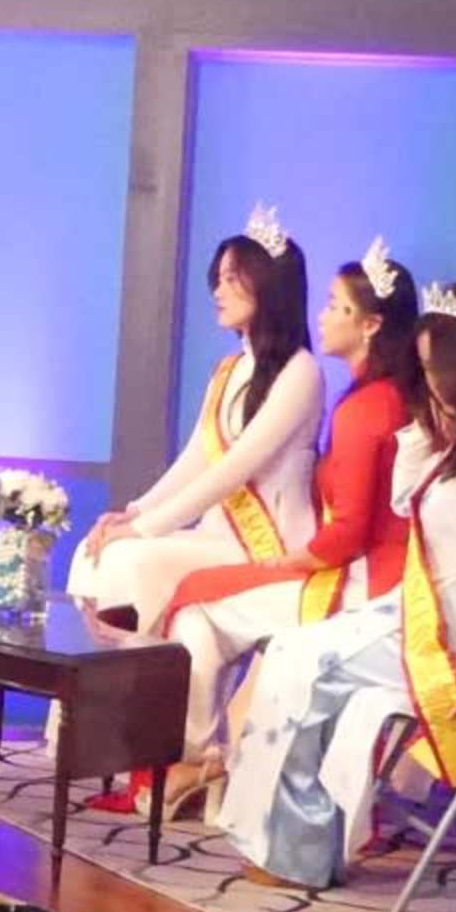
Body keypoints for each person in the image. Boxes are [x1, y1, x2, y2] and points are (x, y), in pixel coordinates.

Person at [220, 281, 456, 888]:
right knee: (290, 652)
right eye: (421, 370)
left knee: (301, 660)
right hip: (420, 614)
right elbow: (405, 501)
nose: (425, 384)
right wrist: (424, 430)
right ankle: (288, 840)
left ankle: (295, 850)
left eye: (433, 370)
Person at [157, 241, 423, 787]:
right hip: (369, 574)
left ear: (370, 325)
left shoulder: (364, 408)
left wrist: (290, 562)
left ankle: (199, 760)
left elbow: (349, 531)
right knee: (198, 601)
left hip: (361, 585)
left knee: (196, 607)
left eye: (335, 306)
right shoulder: (384, 397)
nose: (322, 317)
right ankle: (203, 761)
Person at [67, 229, 320, 629]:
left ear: (268, 285)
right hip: (217, 535)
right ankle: (93, 667)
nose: (218, 292)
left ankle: (129, 665)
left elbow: (234, 469)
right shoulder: (230, 370)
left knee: (132, 558)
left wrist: (144, 529)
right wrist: (133, 513)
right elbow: (197, 457)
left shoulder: (301, 372)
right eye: (218, 279)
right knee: (94, 549)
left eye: (231, 279)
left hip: (267, 543)